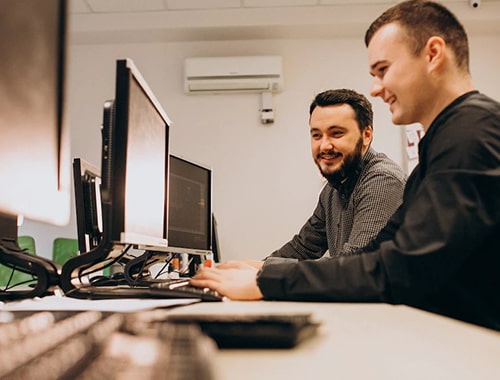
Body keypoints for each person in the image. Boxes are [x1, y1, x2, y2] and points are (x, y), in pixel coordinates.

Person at [191, 0, 500, 331]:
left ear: (433, 54)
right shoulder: (448, 138)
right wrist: (261, 270)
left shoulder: (471, 134)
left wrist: (266, 281)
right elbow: (376, 255)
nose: (376, 88)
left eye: (383, 70)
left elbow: (400, 269)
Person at [246, 89, 406, 269]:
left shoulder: (382, 181)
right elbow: (303, 247)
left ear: (366, 135)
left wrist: (264, 272)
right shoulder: (333, 188)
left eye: (336, 133)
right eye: (316, 135)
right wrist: (251, 268)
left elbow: (354, 263)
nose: (324, 145)